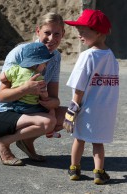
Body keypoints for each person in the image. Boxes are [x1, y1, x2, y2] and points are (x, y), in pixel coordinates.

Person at [0, 12, 66, 165]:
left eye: (57, 34)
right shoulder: (21, 52)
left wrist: (48, 102)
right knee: (47, 122)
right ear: (38, 31)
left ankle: (26, 140)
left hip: (28, 110)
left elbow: (54, 99)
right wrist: (25, 89)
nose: (51, 38)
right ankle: (2, 143)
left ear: (63, 34)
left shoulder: (56, 57)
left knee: (69, 116)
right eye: (47, 32)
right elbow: (2, 96)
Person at [63, 9, 119, 184]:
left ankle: (74, 169)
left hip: (86, 107)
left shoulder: (87, 56)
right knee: (97, 142)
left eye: (83, 31)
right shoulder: (111, 56)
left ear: (99, 32)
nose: (79, 35)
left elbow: (79, 86)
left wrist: (73, 108)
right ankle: (99, 172)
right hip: (105, 109)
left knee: (79, 138)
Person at [0, 42, 61, 138]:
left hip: (16, 106)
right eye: (45, 63)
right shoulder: (39, 78)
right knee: (51, 111)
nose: (45, 66)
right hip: (31, 107)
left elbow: (2, 77)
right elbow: (44, 95)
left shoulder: (15, 69)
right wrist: (45, 98)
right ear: (38, 64)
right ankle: (50, 130)